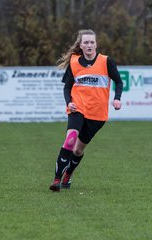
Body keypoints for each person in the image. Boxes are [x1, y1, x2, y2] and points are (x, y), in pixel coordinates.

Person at [49, 29, 123, 192]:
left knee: (77, 149)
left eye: (92, 42)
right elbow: (67, 87)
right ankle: (56, 180)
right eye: (86, 42)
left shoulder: (106, 61)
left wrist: (117, 98)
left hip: (98, 113)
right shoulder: (74, 62)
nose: (89, 45)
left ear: (96, 44)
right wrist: (69, 103)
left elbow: (119, 82)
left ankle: (68, 174)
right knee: (70, 139)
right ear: (80, 45)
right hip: (78, 108)